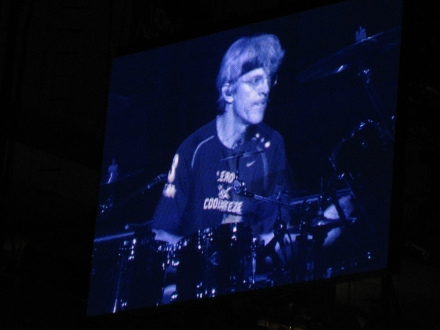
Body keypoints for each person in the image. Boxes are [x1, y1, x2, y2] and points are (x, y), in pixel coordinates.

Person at [151, 34, 293, 246]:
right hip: (199, 272)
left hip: (251, 273)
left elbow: (278, 234)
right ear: (228, 91)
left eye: (269, 79)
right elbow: (161, 234)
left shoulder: (272, 143)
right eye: (255, 81)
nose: (265, 89)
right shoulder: (193, 148)